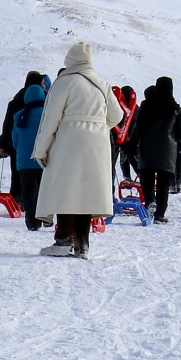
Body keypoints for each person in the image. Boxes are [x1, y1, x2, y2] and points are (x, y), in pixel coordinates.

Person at [32, 42, 124, 258]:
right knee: (87, 193)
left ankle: (63, 241)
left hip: (69, 140)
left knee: (67, 189)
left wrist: (41, 149)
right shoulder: (102, 84)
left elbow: (50, 119)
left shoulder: (64, 82)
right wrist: (98, 126)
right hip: (98, 143)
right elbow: (118, 116)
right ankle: (82, 244)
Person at [127, 81, 181, 223]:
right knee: (163, 185)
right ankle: (159, 215)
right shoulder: (176, 109)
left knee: (147, 180)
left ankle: (150, 201)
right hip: (167, 152)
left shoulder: (146, 106)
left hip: (146, 149)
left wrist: (132, 143)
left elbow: (138, 128)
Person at [0, 71, 44, 202]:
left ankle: (15, 201)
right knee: (37, 177)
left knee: (17, 176)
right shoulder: (43, 102)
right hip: (39, 145)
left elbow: (7, 125)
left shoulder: (16, 101)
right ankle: (34, 205)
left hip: (15, 144)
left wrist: (2, 145)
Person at [12, 78, 49, 229]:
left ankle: (32, 222)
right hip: (44, 158)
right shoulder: (47, 114)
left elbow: (15, 139)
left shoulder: (19, 115)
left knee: (28, 190)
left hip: (24, 160)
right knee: (43, 189)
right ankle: (46, 217)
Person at [111, 85, 138, 181]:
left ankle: (127, 178)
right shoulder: (136, 110)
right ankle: (134, 178)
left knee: (119, 161)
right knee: (131, 160)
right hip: (134, 142)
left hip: (119, 140)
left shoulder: (120, 109)